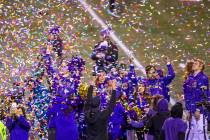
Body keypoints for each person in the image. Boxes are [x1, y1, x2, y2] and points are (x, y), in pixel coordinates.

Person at [183, 58, 209, 140]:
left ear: (201, 66)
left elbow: (205, 95)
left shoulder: (203, 78)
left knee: (201, 131)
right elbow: (187, 96)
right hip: (191, 110)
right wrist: (188, 110)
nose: (193, 64)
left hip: (200, 111)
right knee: (190, 130)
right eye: (193, 63)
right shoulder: (189, 79)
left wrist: (198, 109)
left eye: (196, 63)